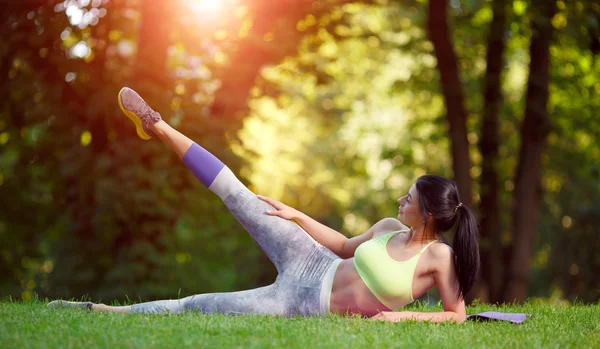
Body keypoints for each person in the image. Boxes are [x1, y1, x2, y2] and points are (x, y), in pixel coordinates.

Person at [48, 88, 480, 323]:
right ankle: (157, 125)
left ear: (427, 214)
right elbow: (346, 247)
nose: (401, 199)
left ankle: (103, 311)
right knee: (239, 193)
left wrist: (398, 321)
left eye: (410, 198)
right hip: (313, 261)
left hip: (301, 304)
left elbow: (455, 315)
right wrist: (297, 216)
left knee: (199, 305)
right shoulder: (389, 225)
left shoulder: (439, 257)